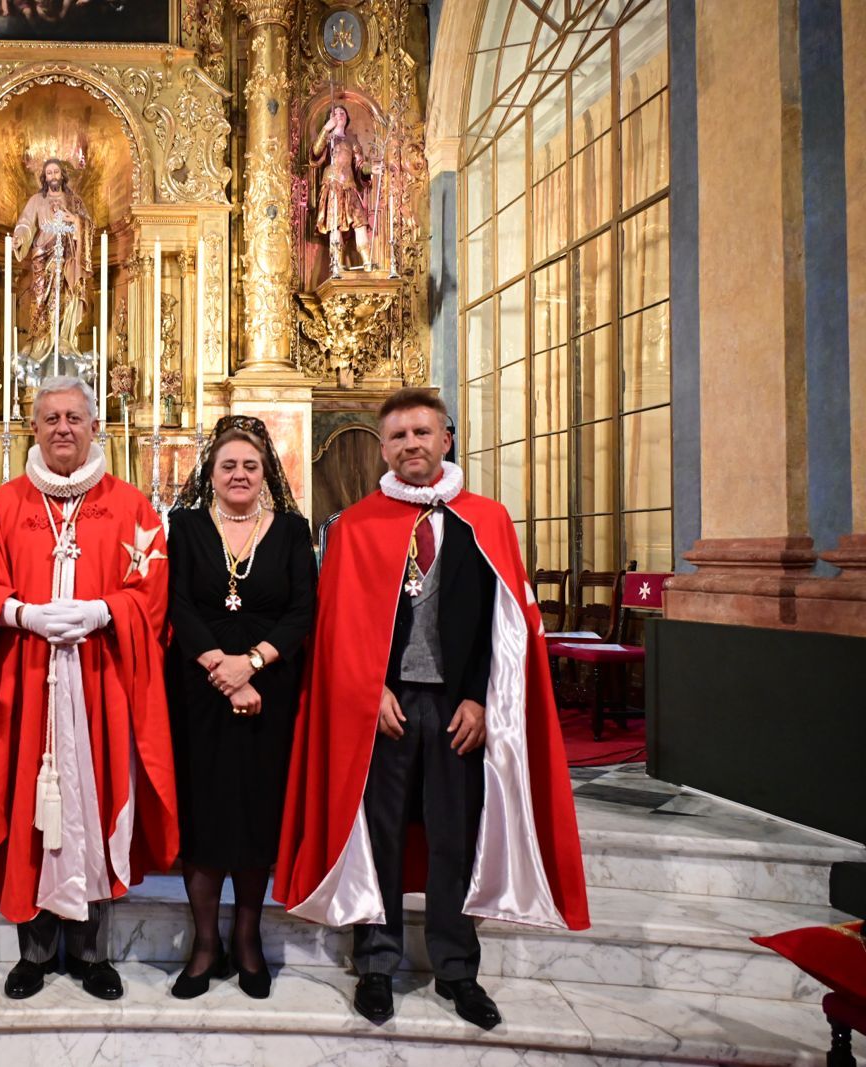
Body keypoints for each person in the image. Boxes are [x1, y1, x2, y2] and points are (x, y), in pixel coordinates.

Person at [275, 388, 589, 1030]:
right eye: (397, 437)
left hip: (457, 708)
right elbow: (338, 629)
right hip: (383, 709)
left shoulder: (487, 520)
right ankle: (378, 964)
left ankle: (457, 970)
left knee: (456, 837)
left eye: (422, 433)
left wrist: (479, 697)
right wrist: (371, 690)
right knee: (380, 838)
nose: (411, 445)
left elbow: (503, 624)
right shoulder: (356, 525)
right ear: (382, 449)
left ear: (446, 437)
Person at [0, 376, 178, 1003]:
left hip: (101, 681)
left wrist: (106, 612)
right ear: (33, 427)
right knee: (32, 806)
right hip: (26, 681)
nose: (62, 429)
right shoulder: (5, 505)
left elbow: (153, 592)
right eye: (50, 418)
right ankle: (34, 949)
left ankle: (91, 952)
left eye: (74, 417)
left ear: (95, 426)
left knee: (94, 805)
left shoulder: (130, 506)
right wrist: (21, 615)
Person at [164, 416, 316, 1000]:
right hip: (200, 691)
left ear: (265, 473)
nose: (239, 474)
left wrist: (250, 665)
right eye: (228, 465)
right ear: (212, 472)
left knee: (256, 813)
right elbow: (177, 604)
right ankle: (205, 944)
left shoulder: (291, 530)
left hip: (270, 691)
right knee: (204, 815)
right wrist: (222, 671)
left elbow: (302, 612)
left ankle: (247, 939)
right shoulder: (186, 527)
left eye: (250, 465)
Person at [11, 160, 93, 361]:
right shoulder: (37, 200)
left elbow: (89, 224)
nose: (53, 176)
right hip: (43, 256)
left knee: (68, 294)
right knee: (40, 299)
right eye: (49, 173)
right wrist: (19, 237)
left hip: (67, 257)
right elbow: (25, 222)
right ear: (44, 177)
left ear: (62, 175)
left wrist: (75, 221)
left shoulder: (74, 201)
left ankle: (65, 338)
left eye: (56, 172)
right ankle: (39, 342)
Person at [311, 104, 372, 272]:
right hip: (332, 185)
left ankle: (367, 261)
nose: (340, 115)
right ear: (330, 119)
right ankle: (336, 263)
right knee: (335, 223)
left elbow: (360, 164)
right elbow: (316, 151)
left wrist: (370, 169)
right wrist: (326, 130)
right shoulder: (328, 137)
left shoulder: (351, 140)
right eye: (335, 113)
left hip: (350, 187)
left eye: (343, 112)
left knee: (361, 222)